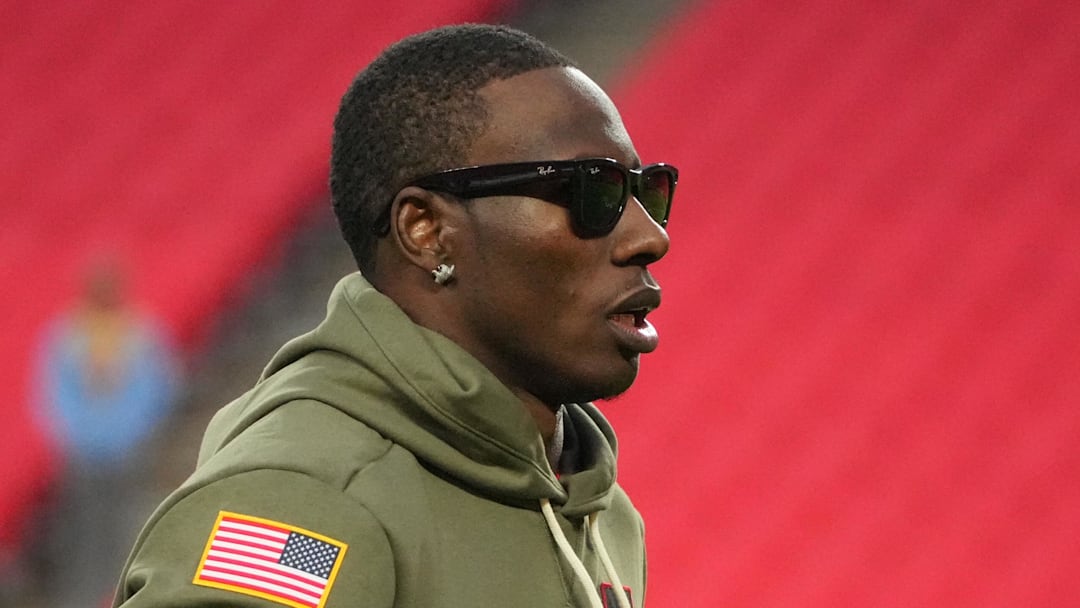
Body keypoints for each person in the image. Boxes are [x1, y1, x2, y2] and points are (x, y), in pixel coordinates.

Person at [113, 23, 677, 608]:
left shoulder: (600, 509)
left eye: (649, 191)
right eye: (592, 191)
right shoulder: (304, 505)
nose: (649, 236)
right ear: (427, 232)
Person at [34, 255, 178, 608]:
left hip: (128, 453)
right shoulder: (68, 334)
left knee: (127, 528)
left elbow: (156, 389)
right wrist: (79, 435)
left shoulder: (140, 334)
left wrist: (128, 434)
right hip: (82, 454)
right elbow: (55, 392)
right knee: (83, 534)